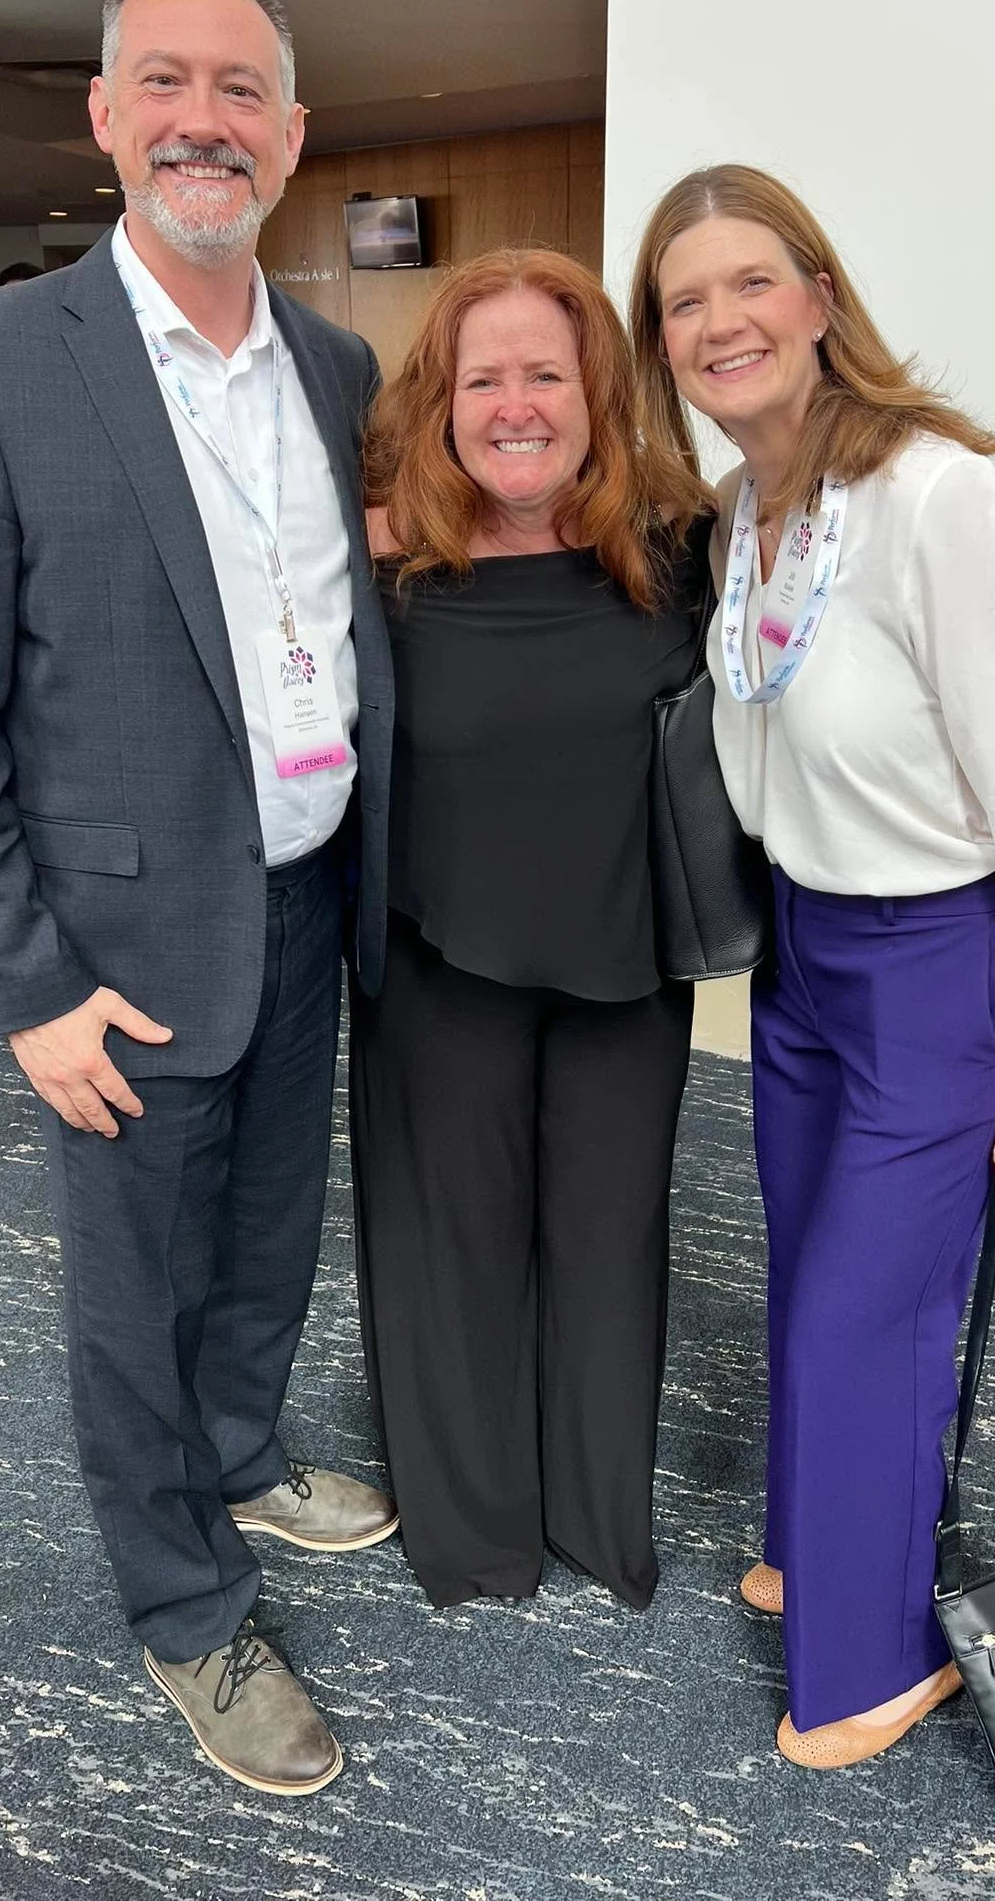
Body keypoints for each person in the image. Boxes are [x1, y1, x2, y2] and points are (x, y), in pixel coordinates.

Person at [0, 0, 398, 1798]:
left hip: (309, 898)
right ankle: (183, 1604)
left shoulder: (341, 368)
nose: (203, 119)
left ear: (291, 129)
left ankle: (246, 1450)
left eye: (239, 86)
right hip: (111, 939)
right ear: (104, 116)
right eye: (164, 82)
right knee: (131, 1290)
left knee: (265, 1242)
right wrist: (18, 988)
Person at [630, 166, 995, 1768]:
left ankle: (865, 1663)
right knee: (807, 1270)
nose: (721, 321)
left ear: (821, 299)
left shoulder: (934, 500)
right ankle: (823, 1544)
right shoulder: (749, 515)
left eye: (750, 283)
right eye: (685, 299)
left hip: (937, 957)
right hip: (805, 954)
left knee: (871, 1311)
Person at [351, 249, 700, 1611]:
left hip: (627, 968)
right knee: (452, 1251)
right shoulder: (385, 563)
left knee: (612, 1247)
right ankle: (477, 1533)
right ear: (441, 402)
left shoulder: (681, 554)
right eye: (480, 377)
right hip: (437, 965)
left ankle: (599, 1519)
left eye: (544, 374)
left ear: (597, 394)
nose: (513, 405)